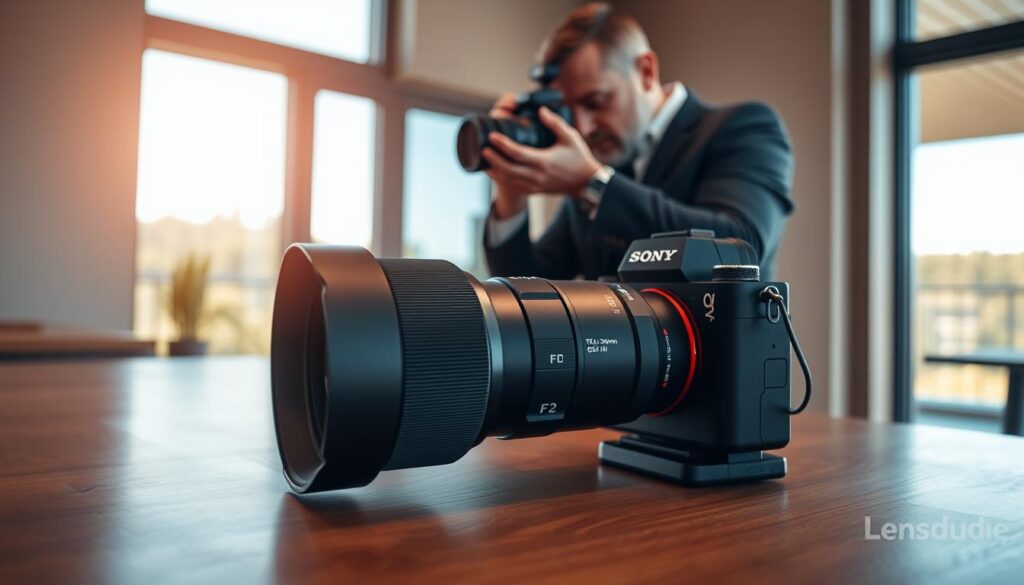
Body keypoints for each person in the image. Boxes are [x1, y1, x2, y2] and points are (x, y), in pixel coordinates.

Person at [482, 2, 794, 280]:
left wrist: (593, 184)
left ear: (646, 71)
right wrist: (511, 193)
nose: (583, 128)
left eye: (596, 101)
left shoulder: (746, 126)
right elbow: (528, 285)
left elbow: (742, 244)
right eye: (569, 111)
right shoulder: (601, 165)